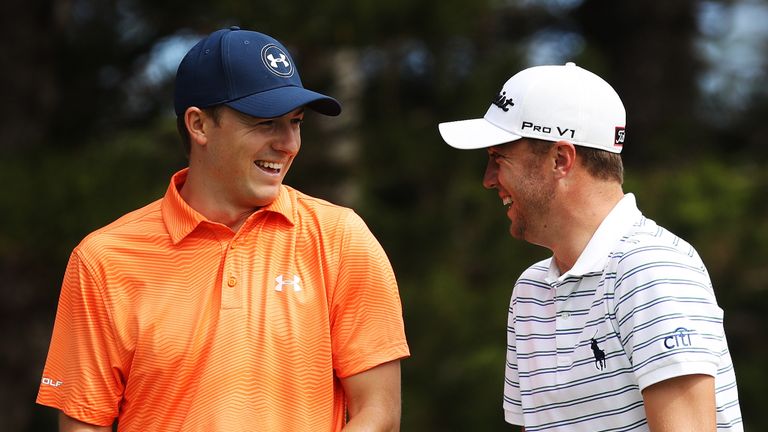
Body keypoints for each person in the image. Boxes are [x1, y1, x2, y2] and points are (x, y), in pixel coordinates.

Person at [37, 26, 410, 432]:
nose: (288, 144)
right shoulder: (103, 260)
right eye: (267, 123)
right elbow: (82, 425)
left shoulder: (340, 238)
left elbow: (378, 413)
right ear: (199, 125)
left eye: (296, 122)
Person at [438, 62, 743, 431]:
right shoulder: (530, 291)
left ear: (560, 160)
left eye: (498, 158)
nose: (488, 181)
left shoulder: (651, 269)